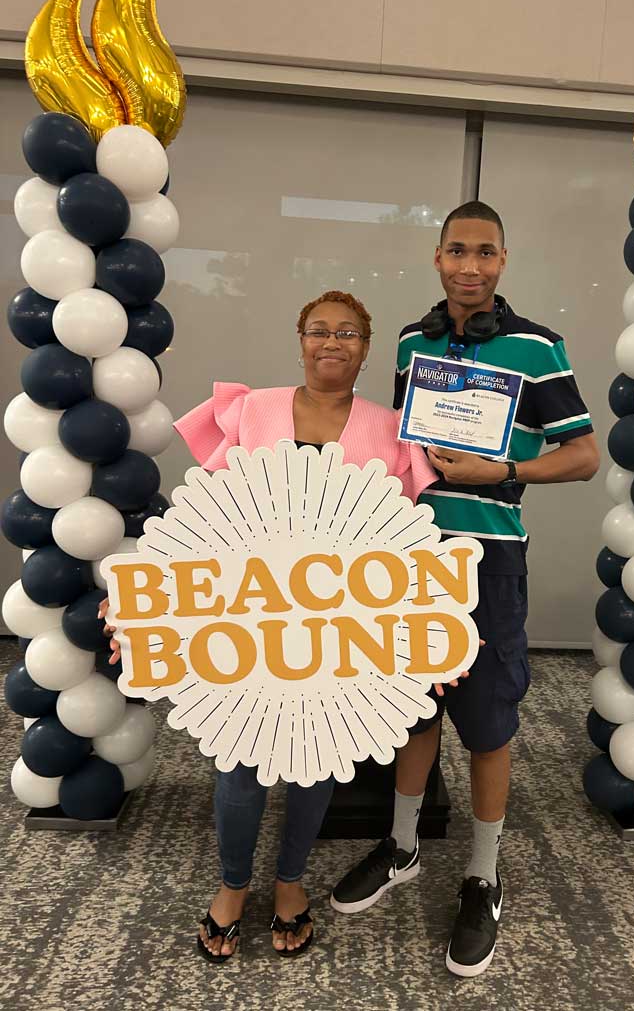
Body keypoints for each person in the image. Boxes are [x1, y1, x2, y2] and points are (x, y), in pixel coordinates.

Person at [102, 291, 439, 964]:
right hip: (250, 615)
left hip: (340, 622)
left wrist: (435, 621)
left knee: (314, 758)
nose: (332, 341)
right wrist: (144, 602)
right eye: (319, 329)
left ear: (366, 348)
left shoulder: (390, 427)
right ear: (301, 339)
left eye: (348, 332)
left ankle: (290, 882)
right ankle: (233, 885)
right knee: (241, 757)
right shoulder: (254, 409)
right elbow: (209, 516)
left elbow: (405, 540)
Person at [330, 202, 600, 976]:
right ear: (438, 256)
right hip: (414, 555)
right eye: (458, 251)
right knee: (413, 708)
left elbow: (582, 455)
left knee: (486, 720)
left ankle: (483, 874)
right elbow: (405, 449)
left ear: (503, 261)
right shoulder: (414, 342)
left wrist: (501, 470)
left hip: (490, 558)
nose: (471, 266)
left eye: (486, 252)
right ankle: (406, 846)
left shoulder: (537, 346)